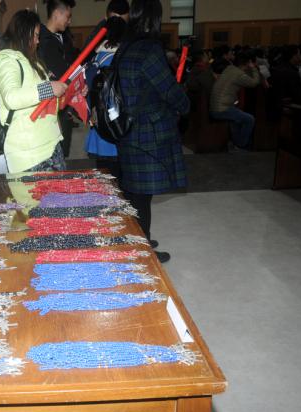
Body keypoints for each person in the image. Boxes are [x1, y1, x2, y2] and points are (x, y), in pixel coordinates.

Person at [114, 0, 190, 263]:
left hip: (127, 128)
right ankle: (142, 251)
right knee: (141, 195)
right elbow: (168, 89)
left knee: (135, 192)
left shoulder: (126, 46)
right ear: (154, 19)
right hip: (147, 133)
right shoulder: (149, 49)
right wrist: (185, 103)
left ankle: (140, 237)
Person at [0, 9, 67, 173]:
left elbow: (41, 99)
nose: (37, 41)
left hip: (49, 144)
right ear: (24, 34)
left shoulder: (33, 62)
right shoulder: (7, 62)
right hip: (30, 153)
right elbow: (12, 98)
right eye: (35, 35)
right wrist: (49, 88)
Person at [84, 6, 130, 178]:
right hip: (122, 122)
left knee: (105, 176)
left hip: (101, 123)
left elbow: (87, 89)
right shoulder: (127, 57)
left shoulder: (96, 58)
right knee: (124, 176)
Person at [38, 0, 78, 158]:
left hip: (65, 104)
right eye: (68, 16)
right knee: (53, 155)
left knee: (63, 153)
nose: (70, 21)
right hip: (50, 106)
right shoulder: (41, 40)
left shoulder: (64, 38)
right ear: (56, 14)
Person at [210, 50, 260, 150]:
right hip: (222, 109)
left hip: (216, 107)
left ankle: (237, 143)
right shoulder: (239, 74)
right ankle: (241, 145)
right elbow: (254, 83)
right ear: (247, 63)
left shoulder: (229, 68)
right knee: (250, 119)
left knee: (236, 119)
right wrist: (254, 68)